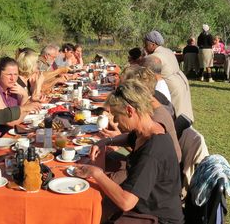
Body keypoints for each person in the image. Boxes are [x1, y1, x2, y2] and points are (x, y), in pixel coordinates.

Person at [74, 80, 184, 224]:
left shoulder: (152, 151)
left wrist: (96, 173)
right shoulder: (148, 130)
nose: (115, 121)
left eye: (116, 115)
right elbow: (128, 138)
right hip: (145, 207)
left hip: (158, 218)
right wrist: (106, 142)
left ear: (129, 111)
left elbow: (126, 202)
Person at [143, 30, 194, 122]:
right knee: (183, 111)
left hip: (172, 86)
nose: (144, 47)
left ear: (153, 45)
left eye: (146, 45)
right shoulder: (168, 50)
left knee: (174, 114)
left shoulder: (154, 57)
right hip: (181, 80)